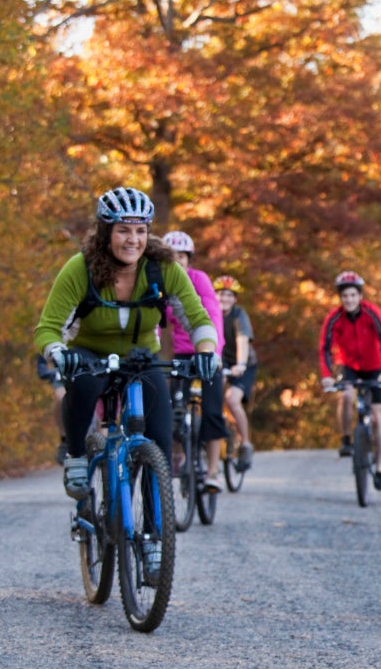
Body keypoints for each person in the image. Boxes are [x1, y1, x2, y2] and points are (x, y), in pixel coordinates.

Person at [34, 187, 220, 501]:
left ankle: (153, 535)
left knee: (159, 439)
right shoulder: (81, 269)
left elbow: (197, 318)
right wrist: (58, 353)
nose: (133, 239)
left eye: (140, 231)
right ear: (106, 233)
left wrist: (205, 353)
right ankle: (77, 454)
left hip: (141, 357)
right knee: (82, 384)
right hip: (90, 355)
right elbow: (49, 329)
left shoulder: (164, 268)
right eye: (123, 230)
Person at [161, 230, 227, 493]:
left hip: (208, 351)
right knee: (171, 410)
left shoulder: (198, 279)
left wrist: (214, 353)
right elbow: (155, 323)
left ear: (189, 259)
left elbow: (213, 315)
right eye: (171, 257)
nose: (177, 261)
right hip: (181, 354)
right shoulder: (160, 282)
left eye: (181, 256)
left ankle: (213, 471)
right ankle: (183, 458)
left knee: (211, 411)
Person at [318, 270, 381, 490]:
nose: (349, 300)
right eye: (345, 296)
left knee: (377, 416)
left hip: (374, 367)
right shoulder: (334, 318)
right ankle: (346, 439)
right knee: (347, 395)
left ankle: (380, 468)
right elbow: (324, 347)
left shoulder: (372, 313)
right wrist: (326, 376)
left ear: (360, 296)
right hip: (348, 366)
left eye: (353, 295)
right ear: (340, 298)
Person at [214, 274, 256, 471]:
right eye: (221, 294)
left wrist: (240, 364)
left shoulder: (239, 315)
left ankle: (246, 443)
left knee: (232, 399)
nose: (225, 299)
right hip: (220, 363)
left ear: (235, 299)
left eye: (230, 295)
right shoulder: (210, 313)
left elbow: (242, 340)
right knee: (213, 400)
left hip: (243, 364)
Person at [36, 354, 68, 465]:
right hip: (61, 371)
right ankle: (65, 440)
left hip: (88, 366)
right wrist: (43, 367)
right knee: (62, 399)